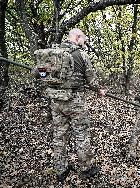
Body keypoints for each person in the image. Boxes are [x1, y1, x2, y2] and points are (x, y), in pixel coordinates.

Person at [33, 28, 106, 184]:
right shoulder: (81, 55)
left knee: (59, 136)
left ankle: (61, 171)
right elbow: (91, 80)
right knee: (82, 136)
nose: (84, 42)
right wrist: (99, 90)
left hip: (55, 101)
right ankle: (85, 170)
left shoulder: (52, 52)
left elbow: (38, 73)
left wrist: (47, 76)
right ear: (77, 37)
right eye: (83, 40)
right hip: (75, 102)